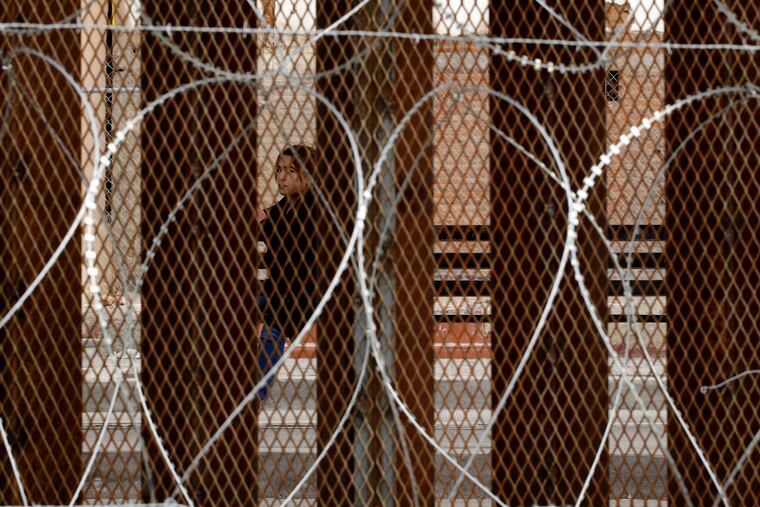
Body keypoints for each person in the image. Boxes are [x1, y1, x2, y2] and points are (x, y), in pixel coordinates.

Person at [256, 144, 324, 399]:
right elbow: (267, 221)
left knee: (273, 320)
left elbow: (289, 250)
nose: (281, 177)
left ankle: (256, 392)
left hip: (302, 295)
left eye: (291, 171)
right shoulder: (287, 205)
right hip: (281, 290)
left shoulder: (312, 209)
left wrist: (263, 223)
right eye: (278, 170)